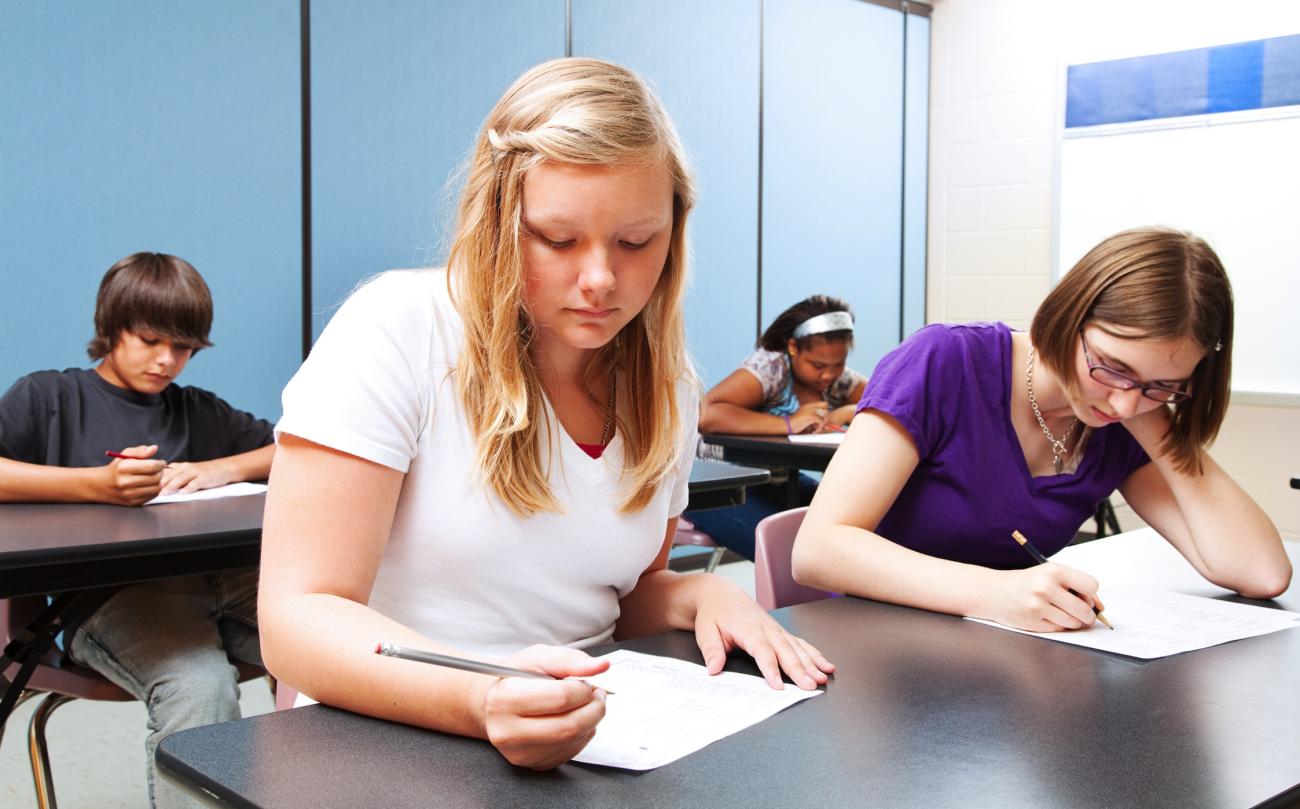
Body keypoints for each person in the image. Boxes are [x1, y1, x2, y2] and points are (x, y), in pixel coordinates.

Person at [258, 57, 833, 772]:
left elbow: (616, 599)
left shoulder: (668, 388)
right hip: (384, 739)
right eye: (558, 240)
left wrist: (701, 592)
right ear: (497, 221)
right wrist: (480, 697)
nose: (600, 280)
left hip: (584, 733)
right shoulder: (399, 329)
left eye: (636, 241)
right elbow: (297, 621)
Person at [793, 227, 1291, 632]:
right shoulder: (946, 360)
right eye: (1112, 366)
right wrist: (993, 592)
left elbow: (1261, 573)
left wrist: (1159, 422)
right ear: (1070, 315)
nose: (1123, 401)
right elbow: (819, 549)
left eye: (1163, 384)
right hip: (875, 647)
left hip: (1001, 657)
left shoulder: (1126, 417)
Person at [0, 252, 275, 808]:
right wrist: (95, 485)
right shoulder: (49, 398)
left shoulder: (198, 411)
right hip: (105, 600)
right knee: (199, 687)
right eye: (150, 340)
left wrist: (220, 469)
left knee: (333, 642)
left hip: (221, 584)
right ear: (112, 327)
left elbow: (292, 447)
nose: (167, 360)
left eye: (183, 348)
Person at [687, 296, 868, 559]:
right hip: (716, 484)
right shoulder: (770, 367)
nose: (828, 375)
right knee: (789, 555)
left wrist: (848, 411)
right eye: (818, 365)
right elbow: (705, 414)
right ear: (793, 347)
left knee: (851, 530)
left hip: (779, 479)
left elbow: (889, 402)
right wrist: (788, 423)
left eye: (838, 364)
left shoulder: (838, 380)